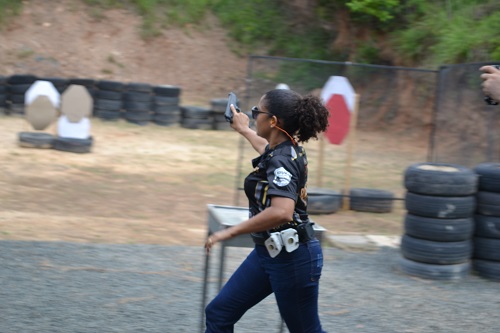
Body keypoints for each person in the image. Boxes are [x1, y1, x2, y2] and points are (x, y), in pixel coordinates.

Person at [204, 88, 330, 333]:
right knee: (219, 313)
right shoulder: (286, 149)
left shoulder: (282, 159)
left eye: (256, 112)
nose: (252, 116)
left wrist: (229, 232)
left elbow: (281, 211)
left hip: (293, 258)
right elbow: (266, 148)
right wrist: (243, 129)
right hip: (270, 253)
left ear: (273, 121)